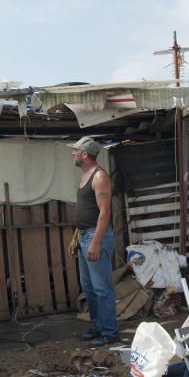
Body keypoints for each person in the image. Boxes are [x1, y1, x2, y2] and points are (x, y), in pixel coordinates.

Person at [67, 136, 118, 348]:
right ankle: (97, 326)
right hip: (84, 236)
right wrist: (75, 237)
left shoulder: (99, 177)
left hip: (96, 237)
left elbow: (104, 212)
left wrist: (95, 242)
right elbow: (87, 212)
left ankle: (109, 332)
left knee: (101, 288)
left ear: (85, 154)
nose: (73, 153)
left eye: (75, 151)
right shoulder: (84, 176)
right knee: (89, 288)